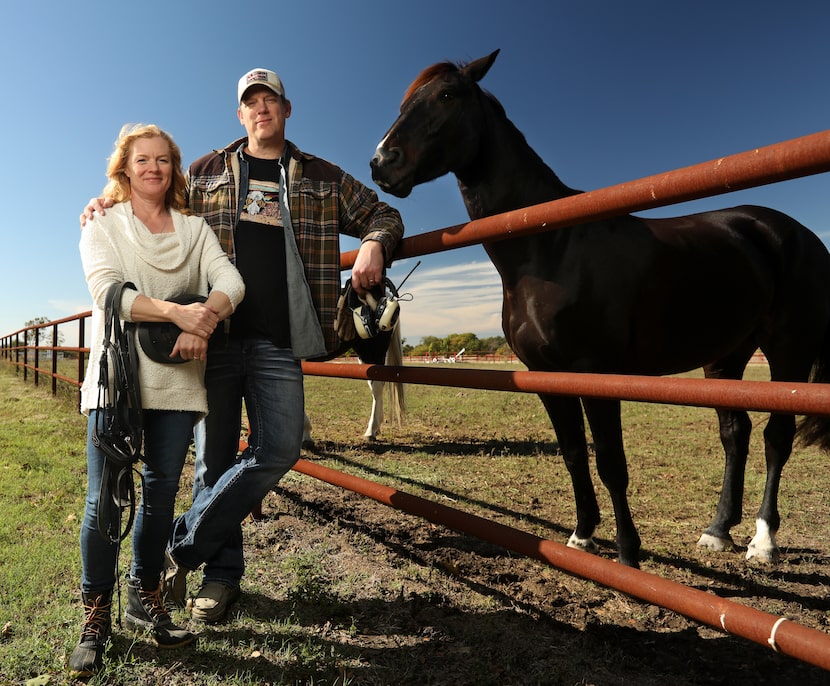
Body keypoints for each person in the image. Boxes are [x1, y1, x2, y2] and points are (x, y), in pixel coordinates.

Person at [82, 68, 404, 625]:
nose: (261, 109)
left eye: (270, 100)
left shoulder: (322, 177)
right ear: (240, 114)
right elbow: (149, 194)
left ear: (286, 109)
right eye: (251, 102)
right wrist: (103, 201)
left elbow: (384, 212)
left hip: (282, 341)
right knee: (213, 461)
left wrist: (374, 243)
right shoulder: (205, 173)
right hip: (215, 339)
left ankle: (181, 546)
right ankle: (221, 577)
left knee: (280, 448)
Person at [71, 124, 245, 676]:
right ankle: (95, 614)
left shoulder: (195, 231)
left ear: (173, 169)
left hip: (177, 380)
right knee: (105, 499)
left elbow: (231, 281)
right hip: (117, 380)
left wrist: (207, 317)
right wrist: (179, 314)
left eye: (163, 160)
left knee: (161, 491)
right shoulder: (103, 221)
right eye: (142, 160)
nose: (153, 168)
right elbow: (108, 292)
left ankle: (143, 598)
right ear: (124, 168)